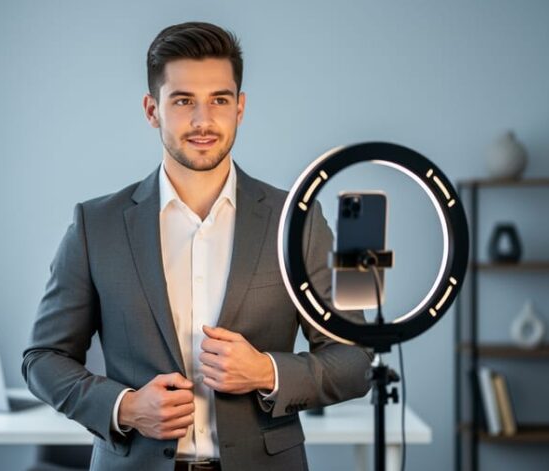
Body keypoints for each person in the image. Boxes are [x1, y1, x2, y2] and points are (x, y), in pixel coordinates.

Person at [22, 21, 372, 471]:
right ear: (153, 110)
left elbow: (355, 360)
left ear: (240, 108)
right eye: (184, 101)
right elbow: (43, 359)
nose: (203, 121)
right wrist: (125, 407)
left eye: (219, 100)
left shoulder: (297, 220)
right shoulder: (96, 225)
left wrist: (266, 371)